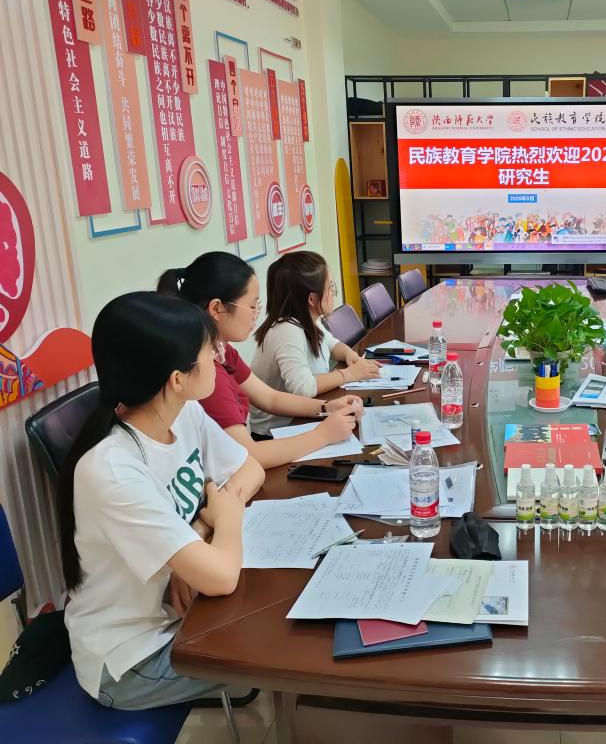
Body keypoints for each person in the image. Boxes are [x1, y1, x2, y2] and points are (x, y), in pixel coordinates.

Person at [60, 292, 265, 710]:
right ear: (177, 378)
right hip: (131, 658)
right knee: (274, 648)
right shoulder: (112, 470)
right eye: (209, 351)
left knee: (275, 618)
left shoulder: (183, 413)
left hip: (181, 614)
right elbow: (222, 577)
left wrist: (196, 534)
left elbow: (250, 469)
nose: (219, 356)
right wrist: (226, 517)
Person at [158, 252, 361, 469]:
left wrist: (326, 406)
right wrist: (322, 435)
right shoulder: (206, 371)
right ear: (217, 308)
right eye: (252, 306)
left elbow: (269, 398)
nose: (256, 313)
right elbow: (250, 455)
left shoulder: (222, 349)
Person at [250, 252, 380, 436]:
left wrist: (351, 356)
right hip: (278, 432)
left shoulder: (309, 319)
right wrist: (350, 374)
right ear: (312, 299)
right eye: (330, 287)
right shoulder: (286, 330)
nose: (333, 293)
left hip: (308, 416)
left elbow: (333, 345)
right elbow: (303, 388)